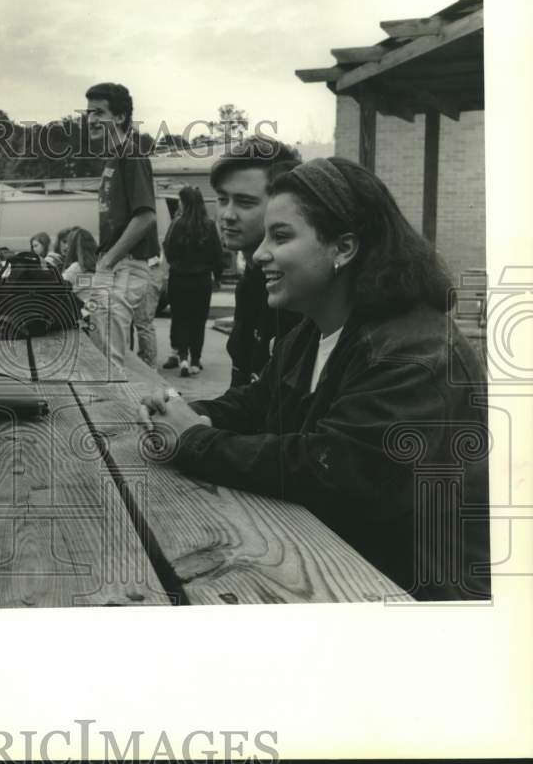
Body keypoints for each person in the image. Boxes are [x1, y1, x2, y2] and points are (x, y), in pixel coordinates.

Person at [139, 158, 489, 601]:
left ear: (343, 248)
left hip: (426, 597)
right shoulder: (313, 330)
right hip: (347, 560)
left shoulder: (415, 352)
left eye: (281, 236)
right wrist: (180, 410)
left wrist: (191, 439)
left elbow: (333, 468)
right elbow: (257, 403)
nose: (259, 252)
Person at [212, 136, 302, 387]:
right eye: (222, 199)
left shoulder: (298, 294)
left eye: (245, 202)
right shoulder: (251, 283)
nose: (227, 215)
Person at [82, 82, 160, 368]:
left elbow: (146, 217)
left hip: (124, 267)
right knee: (105, 353)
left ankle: (119, 413)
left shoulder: (131, 154)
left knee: (108, 362)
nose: (91, 120)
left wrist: (107, 263)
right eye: (89, 113)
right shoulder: (114, 157)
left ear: (120, 117)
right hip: (116, 265)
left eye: (99, 113)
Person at [161, 186, 223, 376]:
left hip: (179, 279)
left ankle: (183, 358)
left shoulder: (177, 224)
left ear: (185, 202)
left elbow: (168, 249)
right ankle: (196, 360)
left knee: (180, 318)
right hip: (202, 280)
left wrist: (177, 265)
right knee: (198, 320)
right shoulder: (210, 225)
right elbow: (217, 254)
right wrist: (216, 277)